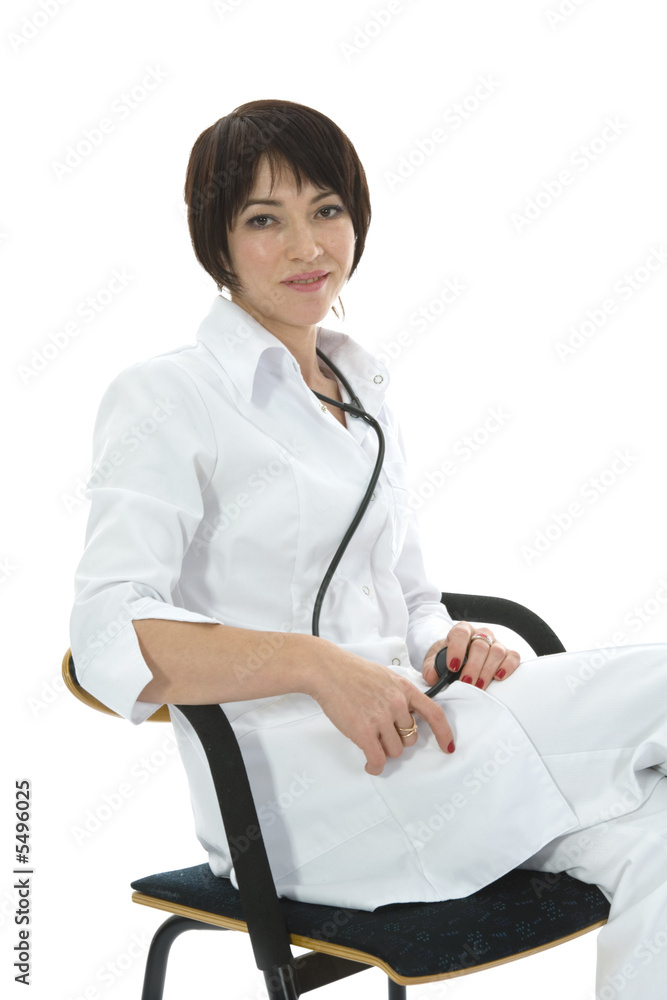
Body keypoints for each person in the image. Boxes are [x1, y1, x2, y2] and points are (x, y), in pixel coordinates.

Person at [69, 99, 667, 999]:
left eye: (327, 210)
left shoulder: (360, 389)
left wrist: (447, 642)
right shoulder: (167, 396)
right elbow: (105, 632)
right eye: (264, 220)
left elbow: (411, 598)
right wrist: (315, 665)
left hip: (429, 746)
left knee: (656, 838)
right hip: (302, 807)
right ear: (216, 241)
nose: (307, 245)